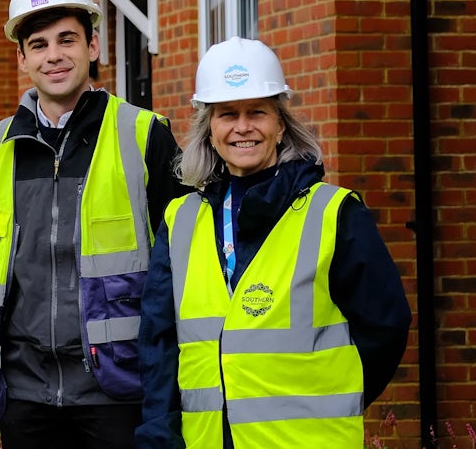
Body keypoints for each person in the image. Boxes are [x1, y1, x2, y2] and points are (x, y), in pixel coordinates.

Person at [136, 37, 412, 447]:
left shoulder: (333, 213)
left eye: (257, 112)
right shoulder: (181, 220)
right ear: (209, 129)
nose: (242, 127)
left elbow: (385, 328)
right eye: (227, 114)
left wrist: (331, 398)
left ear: (281, 124)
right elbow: (159, 344)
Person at [0, 0, 184, 448]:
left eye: (66, 40)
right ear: (22, 56)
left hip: (115, 387)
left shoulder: (144, 134)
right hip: (25, 390)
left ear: (92, 46)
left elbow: (183, 262)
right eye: (40, 45)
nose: (54, 56)